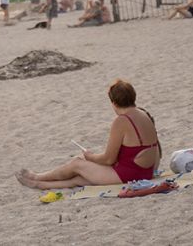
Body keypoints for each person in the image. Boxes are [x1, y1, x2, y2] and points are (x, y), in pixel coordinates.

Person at [16, 79, 161, 189]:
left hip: (129, 176)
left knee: (77, 163)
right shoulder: (143, 114)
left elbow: (109, 159)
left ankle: (38, 177)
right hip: (144, 172)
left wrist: (90, 156)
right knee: (80, 178)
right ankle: (42, 184)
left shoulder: (122, 121)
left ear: (114, 102)